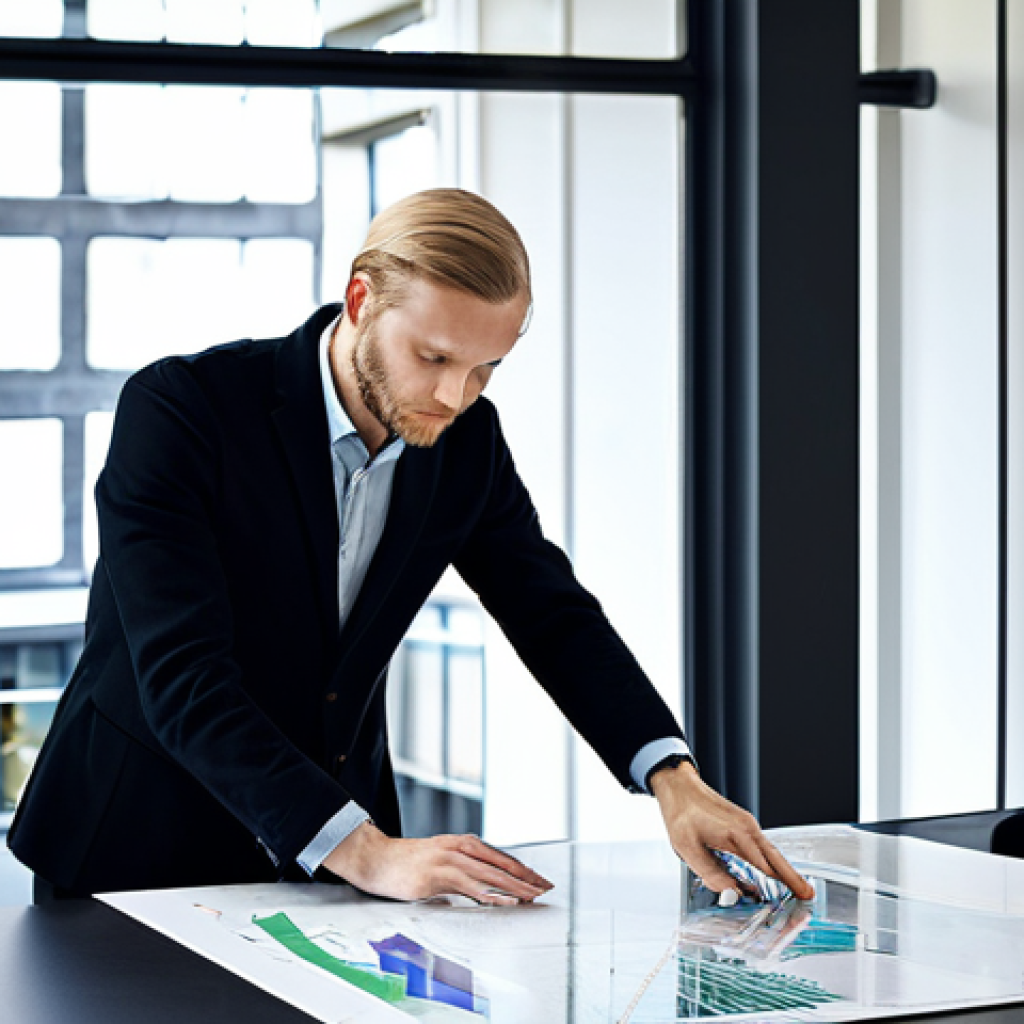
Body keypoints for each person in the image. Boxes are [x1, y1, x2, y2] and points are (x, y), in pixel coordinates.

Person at [9, 188, 812, 905]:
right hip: (139, 846)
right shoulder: (182, 410)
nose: (453, 396)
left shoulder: (466, 442)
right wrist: (366, 852)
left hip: (335, 867)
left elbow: (551, 613)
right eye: (432, 358)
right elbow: (181, 678)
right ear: (360, 298)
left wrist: (675, 781)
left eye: (485, 370)